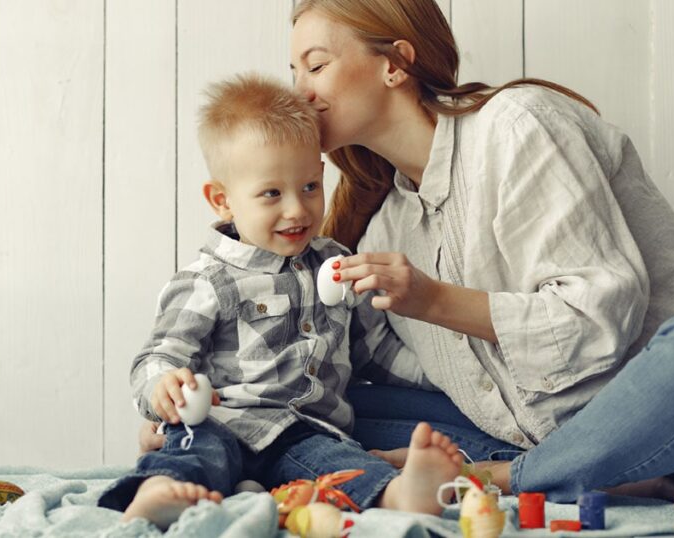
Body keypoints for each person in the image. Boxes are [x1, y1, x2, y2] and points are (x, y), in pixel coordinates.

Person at [280, 0, 674, 502]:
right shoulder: (387, 226)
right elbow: (412, 372)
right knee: (310, 407)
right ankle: (591, 471)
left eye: (317, 65)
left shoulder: (517, 125)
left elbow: (597, 320)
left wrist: (432, 299)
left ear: (395, 64)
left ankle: (506, 478)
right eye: (294, 72)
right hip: (550, 433)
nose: (300, 92)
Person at [99, 73, 468, 530]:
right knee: (196, 448)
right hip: (225, 420)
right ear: (223, 201)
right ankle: (159, 492)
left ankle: (396, 493)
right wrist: (163, 389)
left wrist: (444, 377)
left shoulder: (335, 263)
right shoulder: (207, 281)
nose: (297, 209)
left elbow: (371, 354)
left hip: (303, 431)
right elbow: (158, 356)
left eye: (310, 186)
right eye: (272, 193)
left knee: (337, 463)